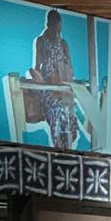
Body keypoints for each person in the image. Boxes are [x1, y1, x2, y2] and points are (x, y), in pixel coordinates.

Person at [27, 9, 79, 150]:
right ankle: (59, 146)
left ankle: (67, 147)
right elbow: (37, 66)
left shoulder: (63, 43)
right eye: (54, 25)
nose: (57, 29)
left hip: (63, 86)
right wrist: (36, 76)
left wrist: (71, 81)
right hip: (47, 86)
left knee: (68, 110)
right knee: (57, 109)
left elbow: (70, 67)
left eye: (58, 26)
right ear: (49, 24)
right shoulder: (41, 41)